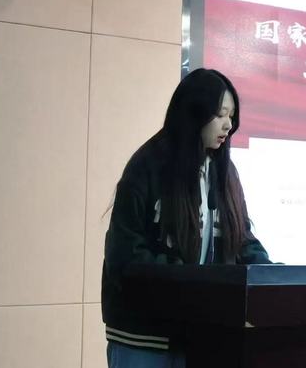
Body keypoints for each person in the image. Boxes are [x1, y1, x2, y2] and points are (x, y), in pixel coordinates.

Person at [101, 68, 271, 368]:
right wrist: (191, 281)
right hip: (144, 337)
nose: (229, 125)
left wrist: (272, 276)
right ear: (193, 113)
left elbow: (241, 240)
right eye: (220, 114)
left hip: (199, 335)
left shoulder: (225, 172)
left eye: (232, 116)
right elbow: (126, 255)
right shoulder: (147, 166)